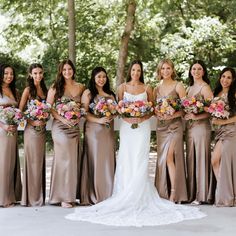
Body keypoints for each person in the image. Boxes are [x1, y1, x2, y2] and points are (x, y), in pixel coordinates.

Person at [66, 60, 205, 227]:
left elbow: (153, 108)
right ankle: (124, 191)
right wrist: (128, 117)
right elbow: (118, 109)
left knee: (140, 158)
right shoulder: (121, 88)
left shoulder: (148, 89)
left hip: (142, 127)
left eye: (139, 70)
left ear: (142, 72)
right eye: (134, 70)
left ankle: (141, 193)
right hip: (127, 127)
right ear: (130, 71)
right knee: (126, 157)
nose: (136, 73)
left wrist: (141, 117)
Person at [47, 59, 85, 208]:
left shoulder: (81, 87)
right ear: (61, 72)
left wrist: (77, 114)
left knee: (72, 159)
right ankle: (63, 197)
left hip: (74, 127)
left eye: (69, 69)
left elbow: (83, 106)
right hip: (60, 127)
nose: (67, 72)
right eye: (64, 70)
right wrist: (63, 118)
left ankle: (69, 195)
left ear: (73, 70)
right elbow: (49, 108)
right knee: (65, 159)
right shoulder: (55, 87)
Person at [79, 67, 116, 205]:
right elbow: (84, 112)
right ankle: (94, 195)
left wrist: (111, 113)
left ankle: (109, 193)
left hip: (107, 132)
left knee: (107, 161)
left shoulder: (110, 94)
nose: (101, 79)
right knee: (95, 160)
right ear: (93, 78)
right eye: (99, 76)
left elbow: (115, 111)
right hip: (93, 131)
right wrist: (99, 120)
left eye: (104, 77)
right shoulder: (88, 93)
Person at [154, 59, 188, 203]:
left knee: (170, 158)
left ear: (172, 70)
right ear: (159, 71)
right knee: (163, 160)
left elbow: (185, 108)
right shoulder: (156, 88)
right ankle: (163, 191)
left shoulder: (178, 86)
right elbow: (154, 109)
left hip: (175, 126)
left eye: (168, 68)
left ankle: (175, 193)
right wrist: (159, 113)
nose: (165, 71)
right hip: (161, 127)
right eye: (163, 69)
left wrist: (172, 114)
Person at [184, 60, 213, 205]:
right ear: (190, 71)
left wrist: (196, 116)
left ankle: (203, 195)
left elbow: (212, 111)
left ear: (203, 71)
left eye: (199, 69)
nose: (196, 71)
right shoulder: (189, 89)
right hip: (189, 128)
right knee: (191, 158)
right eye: (194, 69)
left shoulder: (205, 88)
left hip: (202, 127)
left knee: (201, 158)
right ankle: (191, 193)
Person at [19, 63, 48, 206]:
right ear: (30, 74)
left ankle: (39, 196)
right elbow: (20, 112)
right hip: (31, 130)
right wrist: (31, 121)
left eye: (40, 73)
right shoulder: (28, 90)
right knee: (32, 162)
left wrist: (44, 118)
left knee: (39, 162)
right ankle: (31, 198)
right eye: (35, 73)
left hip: (42, 130)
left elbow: (48, 109)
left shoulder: (45, 89)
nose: (38, 76)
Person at [208, 67, 236, 206]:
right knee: (215, 161)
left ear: (233, 80)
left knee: (224, 162)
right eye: (223, 76)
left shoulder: (234, 94)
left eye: (229, 77)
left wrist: (222, 121)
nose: (225, 80)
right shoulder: (216, 93)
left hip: (232, 132)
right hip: (220, 132)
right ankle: (225, 194)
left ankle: (228, 196)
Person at [0, 64, 22, 207]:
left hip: (12, 130)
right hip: (1, 130)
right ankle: (3, 199)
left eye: (11, 74)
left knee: (10, 163)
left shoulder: (15, 91)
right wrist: (3, 125)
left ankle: (10, 195)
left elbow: (19, 111)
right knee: (3, 163)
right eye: (6, 73)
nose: (9, 76)